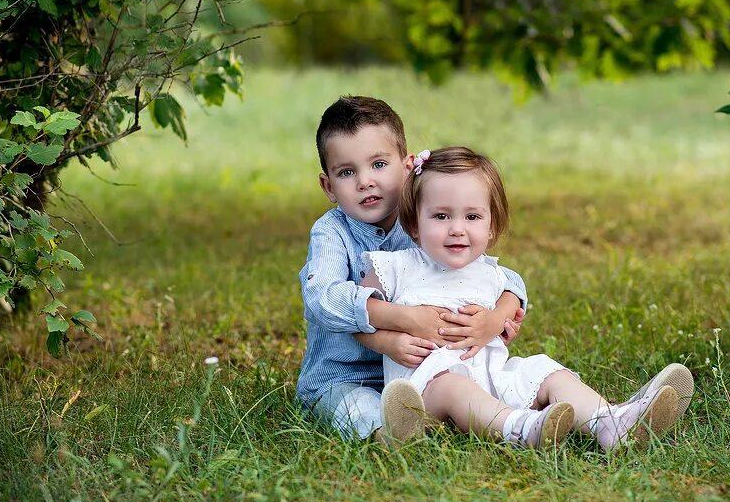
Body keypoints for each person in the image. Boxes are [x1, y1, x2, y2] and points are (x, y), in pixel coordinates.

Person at [360, 146, 695, 452]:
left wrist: (495, 320)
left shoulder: (491, 273)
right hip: (428, 390)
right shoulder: (395, 267)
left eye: (472, 217)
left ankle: (609, 422)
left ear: (491, 227)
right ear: (413, 224)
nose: (457, 229)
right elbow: (357, 318)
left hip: (493, 377)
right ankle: (521, 429)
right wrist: (389, 342)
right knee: (454, 387)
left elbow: (513, 299)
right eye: (441, 216)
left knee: (546, 371)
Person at [295, 97, 529, 445]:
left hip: (422, 374)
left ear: (407, 168)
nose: (365, 181)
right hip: (343, 377)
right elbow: (323, 297)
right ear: (329, 186)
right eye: (347, 172)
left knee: (473, 385)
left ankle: (470, 417)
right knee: (360, 407)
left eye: (378, 164)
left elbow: (504, 278)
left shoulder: (427, 225)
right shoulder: (332, 233)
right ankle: (390, 434)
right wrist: (405, 320)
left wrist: (496, 319)